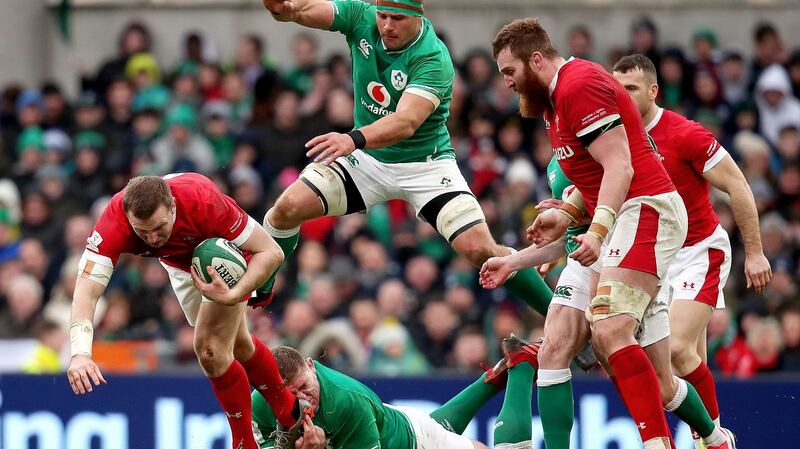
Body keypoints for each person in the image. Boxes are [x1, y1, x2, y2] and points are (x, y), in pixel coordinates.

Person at [257, 0, 552, 317]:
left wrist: (352, 138)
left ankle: (558, 316)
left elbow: (406, 122)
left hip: (425, 165)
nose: (387, 25)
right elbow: (301, 10)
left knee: (481, 250)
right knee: (286, 209)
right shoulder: (361, 17)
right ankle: (262, 285)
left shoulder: (433, 57)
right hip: (367, 158)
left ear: (418, 16)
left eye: (397, 18)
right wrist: (282, 8)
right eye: (382, 16)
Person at [492, 18, 688, 449]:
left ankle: (672, 440)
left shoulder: (577, 85)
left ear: (536, 60)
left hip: (645, 209)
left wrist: (596, 232)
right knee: (557, 346)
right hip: (612, 223)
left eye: (509, 71)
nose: (506, 82)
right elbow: (595, 176)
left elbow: (621, 166)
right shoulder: (553, 104)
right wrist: (565, 215)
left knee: (612, 331)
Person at [480, 159, 733, 449]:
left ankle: (715, 438)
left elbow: (634, 189)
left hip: (631, 253)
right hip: (583, 260)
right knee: (552, 350)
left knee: (663, 387)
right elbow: (569, 238)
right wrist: (512, 262)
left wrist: (573, 214)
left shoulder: (610, 141)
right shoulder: (556, 159)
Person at [66, 174, 303, 449]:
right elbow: (86, 291)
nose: (152, 239)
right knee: (237, 344)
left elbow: (271, 252)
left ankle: (244, 443)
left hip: (224, 257)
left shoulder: (203, 201)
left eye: (159, 227)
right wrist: (80, 353)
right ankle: (291, 414)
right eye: (142, 232)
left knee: (210, 350)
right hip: (178, 264)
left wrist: (236, 293)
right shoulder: (114, 221)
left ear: (173, 206)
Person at [613, 54, 771, 446]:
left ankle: (713, 439)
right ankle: (709, 438)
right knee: (684, 363)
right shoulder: (614, 139)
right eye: (617, 89)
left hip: (699, 252)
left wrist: (754, 252)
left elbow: (737, 185)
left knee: (677, 350)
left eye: (631, 88)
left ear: (653, 90)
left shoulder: (684, 134)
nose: (623, 96)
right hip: (655, 260)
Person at [252, 336, 539, 449]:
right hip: (391, 423)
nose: (302, 399)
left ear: (311, 366)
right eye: (291, 394)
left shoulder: (346, 401)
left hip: (415, 441)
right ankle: (489, 381)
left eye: (304, 387)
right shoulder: (260, 401)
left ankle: (522, 366)